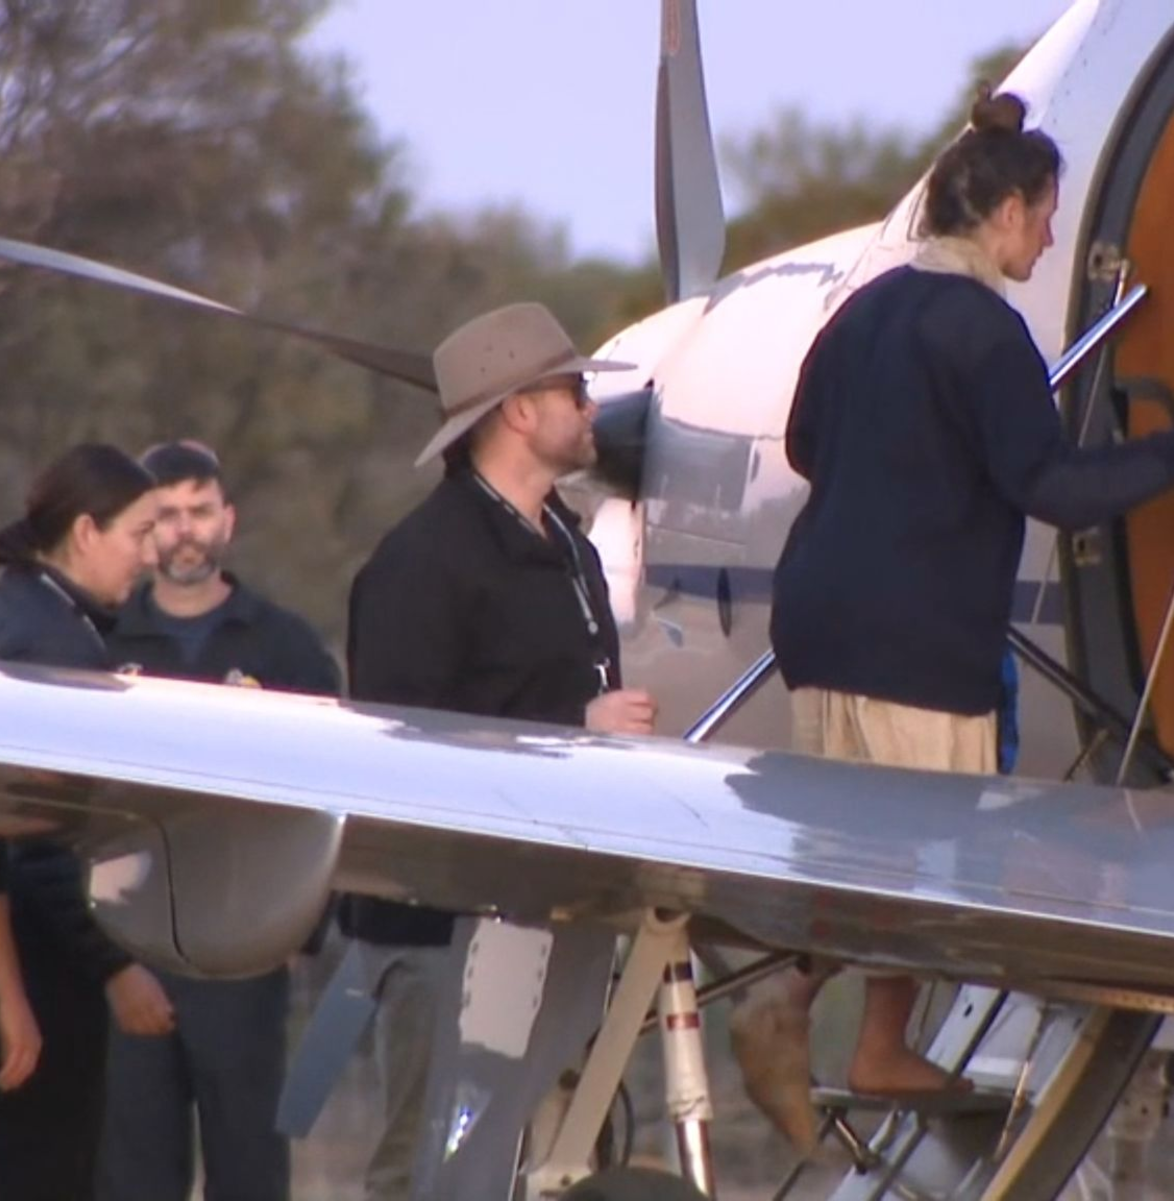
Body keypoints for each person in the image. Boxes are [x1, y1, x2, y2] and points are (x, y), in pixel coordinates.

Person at [736, 86, 1174, 1156]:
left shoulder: (865, 312)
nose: (1056, 235)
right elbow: (1054, 486)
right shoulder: (982, 331)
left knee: (870, 844)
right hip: (916, 642)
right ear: (1007, 212)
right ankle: (798, 1005)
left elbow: (802, 443)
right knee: (921, 854)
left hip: (820, 624)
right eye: (1048, 213)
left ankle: (861, 1032)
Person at [343, 301, 657, 1200]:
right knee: (430, 1173)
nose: (593, 406)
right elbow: (402, 749)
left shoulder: (570, 546)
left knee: (517, 1164)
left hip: (547, 910)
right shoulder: (420, 564)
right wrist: (576, 723)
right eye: (573, 390)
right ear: (518, 410)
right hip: (439, 931)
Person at [95, 440, 341, 1201]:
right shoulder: (97, 646)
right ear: (140, 529)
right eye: (164, 516)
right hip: (125, 951)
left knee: (250, 1172)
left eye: (199, 510)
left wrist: (298, 933)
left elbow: (331, 791)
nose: (185, 530)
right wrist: (107, 962)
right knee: (133, 1177)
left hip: (245, 954)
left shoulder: (285, 647)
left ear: (227, 520)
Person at [0, 442, 177, 1200]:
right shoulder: (47, 646)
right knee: (48, 1171)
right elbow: (40, 840)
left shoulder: (31, 613)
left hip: (26, 944)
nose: (152, 553)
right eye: (140, 531)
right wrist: (113, 964)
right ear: (86, 531)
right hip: (36, 951)